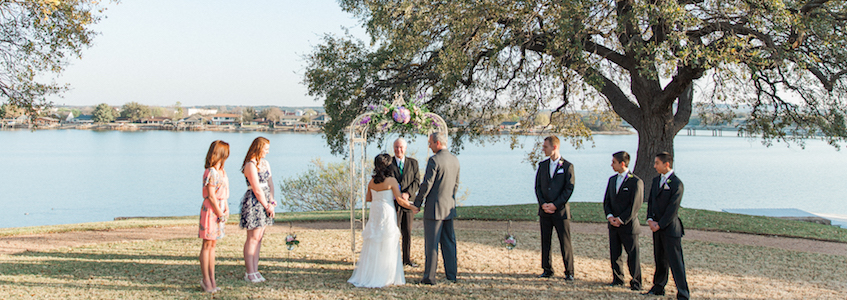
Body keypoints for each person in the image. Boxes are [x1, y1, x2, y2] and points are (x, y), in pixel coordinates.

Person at [348, 154, 420, 288]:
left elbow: (368, 198)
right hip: (386, 211)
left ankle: (371, 272)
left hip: (375, 212)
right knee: (388, 238)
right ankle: (387, 273)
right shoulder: (391, 181)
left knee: (374, 240)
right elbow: (400, 201)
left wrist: (378, 197)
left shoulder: (372, 181)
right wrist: (412, 207)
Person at [413, 132, 460, 285]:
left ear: (437, 143)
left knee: (432, 244)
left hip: (434, 209)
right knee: (449, 242)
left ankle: (429, 277)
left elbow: (427, 184)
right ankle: (451, 275)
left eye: (430, 143)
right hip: (449, 207)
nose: (429, 146)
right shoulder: (455, 160)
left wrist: (417, 203)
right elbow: (456, 185)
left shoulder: (434, 160)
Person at [644, 152, 690, 299]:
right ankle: (658, 286)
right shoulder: (656, 180)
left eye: (657, 163)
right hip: (656, 226)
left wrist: (660, 224)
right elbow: (651, 201)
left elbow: (673, 208)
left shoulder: (677, 184)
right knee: (660, 259)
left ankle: (683, 293)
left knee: (675, 262)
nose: (654, 166)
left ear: (667, 164)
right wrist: (650, 219)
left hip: (670, 229)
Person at [534, 135, 575, 280]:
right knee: (546, 241)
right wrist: (543, 204)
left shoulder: (567, 166)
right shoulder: (542, 165)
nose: (543, 149)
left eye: (545, 147)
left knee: (565, 242)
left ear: (554, 147)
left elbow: (569, 189)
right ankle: (547, 269)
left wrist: (555, 205)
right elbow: (537, 187)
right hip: (545, 211)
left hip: (560, 212)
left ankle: (569, 271)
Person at [602, 151, 643, 290]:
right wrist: (610, 217)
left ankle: (636, 281)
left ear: (622, 163)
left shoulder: (636, 181)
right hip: (613, 225)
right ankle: (618, 279)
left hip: (628, 225)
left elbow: (635, 205)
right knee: (615, 253)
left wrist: (621, 219)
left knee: (632, 254)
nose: (611, 164)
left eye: (614, 162)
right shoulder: (612, 180)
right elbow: (606, 200)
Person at [239, 137, 275, 283]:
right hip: (254, 201)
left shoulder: (265, 163)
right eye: (265, 149)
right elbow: (256, 188)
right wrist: (266, 204)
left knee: (259, 238)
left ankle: (256, 269)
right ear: (258, 148)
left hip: (266, 201)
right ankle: (250, 272)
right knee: (252, 238)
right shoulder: (250, 165)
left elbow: (270, 184)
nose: (267, 152)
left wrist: (271, 202)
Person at [199, 140, 230, 293]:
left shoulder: (222, 172)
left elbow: (223, 194)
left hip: (220, 209)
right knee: (207, 245)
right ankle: (206, 279)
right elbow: (211, 196)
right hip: (211, 211)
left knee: (213, 245)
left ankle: (212, 278)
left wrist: (226, 208)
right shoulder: (210, 172)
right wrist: (219, 212)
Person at [389, 137, 420, 267]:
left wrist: (408, 194)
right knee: (392, 232)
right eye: (396, 147)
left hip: (407, 203)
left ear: (405, 148)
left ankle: (406, 259)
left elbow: (417, 181)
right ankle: (392, 259)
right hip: (393, 203)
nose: (398, 150)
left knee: (407, 231)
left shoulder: (413, 163)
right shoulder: (388, 163)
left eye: (401, 147)